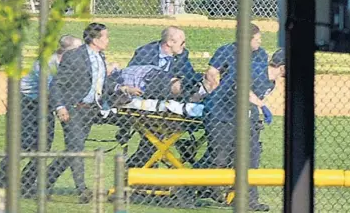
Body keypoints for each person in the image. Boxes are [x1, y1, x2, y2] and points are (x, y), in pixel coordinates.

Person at [194, 23, 280, 212]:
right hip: (222, 111)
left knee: (251, 156)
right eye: (257, 38)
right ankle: (189, 188)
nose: (260, 41)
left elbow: (256, 87)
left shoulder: (260, 56)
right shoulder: (227, 51)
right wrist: (217, 93)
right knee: (219, 158)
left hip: (243, 114)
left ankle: (246, 199)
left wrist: (256, 107)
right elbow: (213, 74)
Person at [0, 35, 82, 198]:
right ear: (68, 51)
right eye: (79, 50)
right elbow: (52, 90)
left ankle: (27, 185)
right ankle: (3, 182)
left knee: (44, 146)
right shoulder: (48, 64)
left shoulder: (70, 64)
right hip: (27, 103)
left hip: (46, 105)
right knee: (24, 144)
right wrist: (64, 106)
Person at [46, 23, 121, 204]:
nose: (108, 41)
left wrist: (122, 87)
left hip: (90, 110)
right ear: (95, 40)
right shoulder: (74, 56)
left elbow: (102, 85)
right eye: (106, 37)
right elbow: (56, 84)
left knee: (72, 150)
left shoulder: (100, 56)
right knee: (76, 149)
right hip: (72, 109)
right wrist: (60, 107)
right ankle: (82, 190)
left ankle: (44, 181)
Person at [124, 26, 203, 168]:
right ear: (170, 42)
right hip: (146, 96)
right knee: (154, 138)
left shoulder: (182, 55)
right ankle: (140, 169)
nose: (185, 45)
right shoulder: (146, 53)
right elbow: (133, 74)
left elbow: (188, 78)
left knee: (155, 139)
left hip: (168, 100)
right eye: (182, 42)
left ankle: (140, 170)